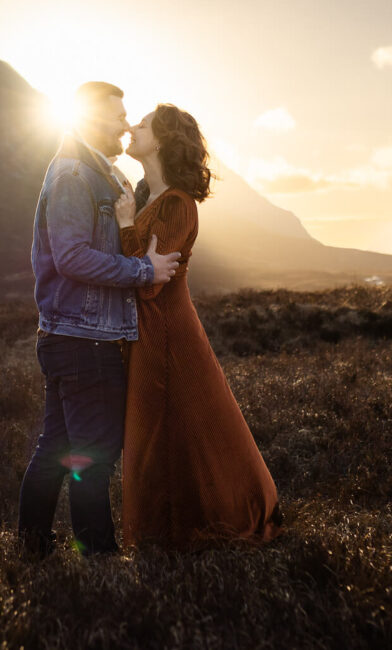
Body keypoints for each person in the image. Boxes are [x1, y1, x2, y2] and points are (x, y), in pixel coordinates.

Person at [19, 82, 182, 558]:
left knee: (56, 450)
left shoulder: (103, 172)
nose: (125, 124)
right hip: (84, 339)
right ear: (90, 119)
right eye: (117, 117)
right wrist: (143, 271)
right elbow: (72, 257)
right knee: (92, 456)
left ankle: (32, 551)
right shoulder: (74, 174)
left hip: (76, 335)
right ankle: (99, 557)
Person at [115, 104, 285, 548]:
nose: (131, 128)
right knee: (157, 434)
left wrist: (126, 225)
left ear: (164, 141)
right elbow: (137, 266)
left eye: (143, 125)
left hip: (168, 334)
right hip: (143, 334)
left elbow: (148, 283)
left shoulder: (178, 205)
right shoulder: (141, 194)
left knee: (184, 430)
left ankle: (201, 523)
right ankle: (161, 530)